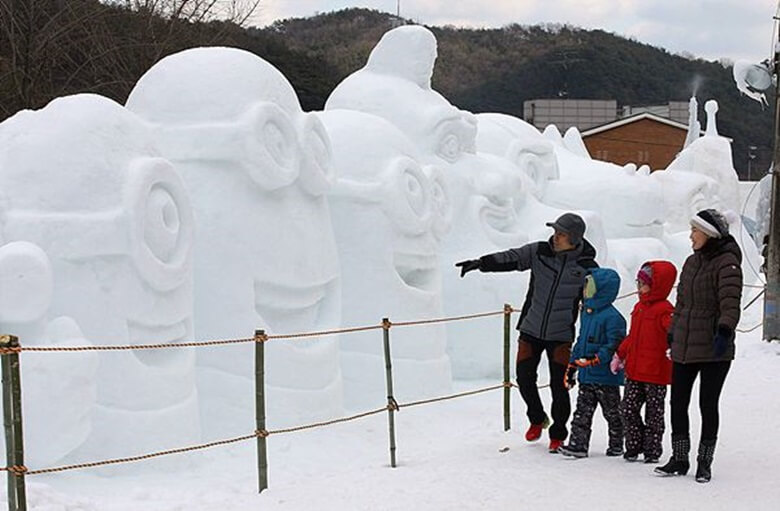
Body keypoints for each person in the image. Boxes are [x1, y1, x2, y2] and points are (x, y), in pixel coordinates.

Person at [456, 212, 598, 453]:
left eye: (561, 234)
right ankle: (537, 418)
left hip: (561, 335)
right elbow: (511, 257)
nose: (555, 236)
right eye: (555, 231)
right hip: (531, 328)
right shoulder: (539, 251)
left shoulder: (587, 268)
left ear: (574, 238)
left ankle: (558, 434)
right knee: (523, 378)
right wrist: (481, 263)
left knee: (559, 386)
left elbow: (596, 299)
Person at [654, 209, 742, 483]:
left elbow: (730, 304)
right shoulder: (691, 262)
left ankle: (704, 462)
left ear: (710, 233)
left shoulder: (727, 263)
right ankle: (680, 458)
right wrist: (673, 331)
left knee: (707, 404)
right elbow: (682, 302)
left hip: (714, 347)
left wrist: (724, 332)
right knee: (678, 402)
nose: (691, 236)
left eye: (695, 230)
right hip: (685, 343)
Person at [612, 261, 677, 464]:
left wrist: (675, 348)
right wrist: (620, 354)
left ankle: (652, 449)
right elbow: (632, 337)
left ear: (657, 285)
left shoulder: (665, 310)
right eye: (638, 283)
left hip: (656, 373)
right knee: (627, 408)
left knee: (654, 414)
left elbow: (674, 333)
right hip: (634, 370)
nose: (639, 288)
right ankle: (634, 444)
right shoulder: (638, 308)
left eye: (644, 284)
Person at [558, 268, 626, 458]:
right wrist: (572, 365)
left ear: (602, 289)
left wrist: (596, 359)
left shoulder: (614, 318)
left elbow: (614, 345)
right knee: (582, 412)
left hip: (606, 377)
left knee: (613, 413)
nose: (585, 290)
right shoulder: (587, 313)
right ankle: (578, 445)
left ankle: (617, 444)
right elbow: (581, 341)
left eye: (590, 287)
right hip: (587, 376)